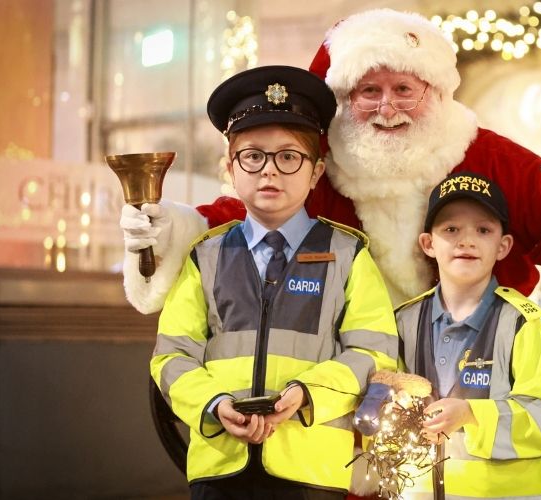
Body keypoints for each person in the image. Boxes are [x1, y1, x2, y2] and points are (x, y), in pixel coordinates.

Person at [120, 8, 541, 316]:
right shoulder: (318, 164)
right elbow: (244, 217)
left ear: (434, 90)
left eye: (403, 89)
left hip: (475, 368)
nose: (387, 107)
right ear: (342, 99)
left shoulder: (489, 157)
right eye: (368, 89)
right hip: (350, 382)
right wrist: (167, 230)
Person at [150, 65, 398, 499]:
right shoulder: (205, 256)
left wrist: (306, 395)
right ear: (230, 167)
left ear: (317, 172)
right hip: (220, 468)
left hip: (312, 468)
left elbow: (374, 354)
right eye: (253, 156)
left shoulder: (348, 255)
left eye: (288, 157)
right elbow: (172, 356)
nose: (269, 172)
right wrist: (214, 405)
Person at [394, 171, 541, 499]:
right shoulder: (404, 321)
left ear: (503, 246)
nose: (467, 241)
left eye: (483, 230)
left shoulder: (520, 324)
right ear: (428, 244)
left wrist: (471, 414)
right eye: (451, 229)